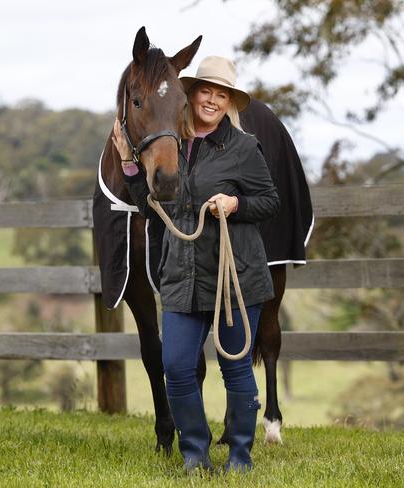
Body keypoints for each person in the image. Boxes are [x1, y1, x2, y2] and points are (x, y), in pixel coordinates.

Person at [111, 55, 279, 472]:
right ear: (191, 94)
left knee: (235, 369)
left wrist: (236, 203)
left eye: (222, 95)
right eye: (206, 91)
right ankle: (195, 455)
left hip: (234, 278)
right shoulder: (170, 146)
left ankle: (240, 457)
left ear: (229, 103)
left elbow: (270, 201)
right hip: (182, 277)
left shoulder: (243, 148)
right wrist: (131, 167)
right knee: (176, 367)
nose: (212, 100)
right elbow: (153, 211)